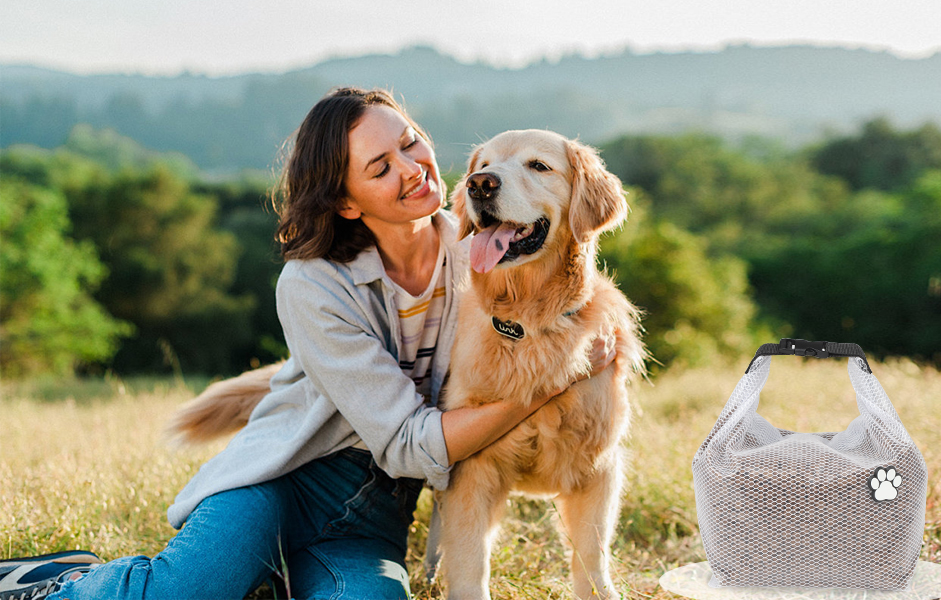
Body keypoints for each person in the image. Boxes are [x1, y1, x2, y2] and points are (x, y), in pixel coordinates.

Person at [0, 87, 615, 600]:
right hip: (280, 479)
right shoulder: (313, 284)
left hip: (371, 511)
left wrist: (589, 335)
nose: (411, 168)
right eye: (380, 168)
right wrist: (548, 388)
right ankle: (56, 581)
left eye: (410, 143)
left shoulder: (485, 253)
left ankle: (270, 581)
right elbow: (407, 442)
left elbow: (562, 286)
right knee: (185, 591)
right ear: (346, 202)